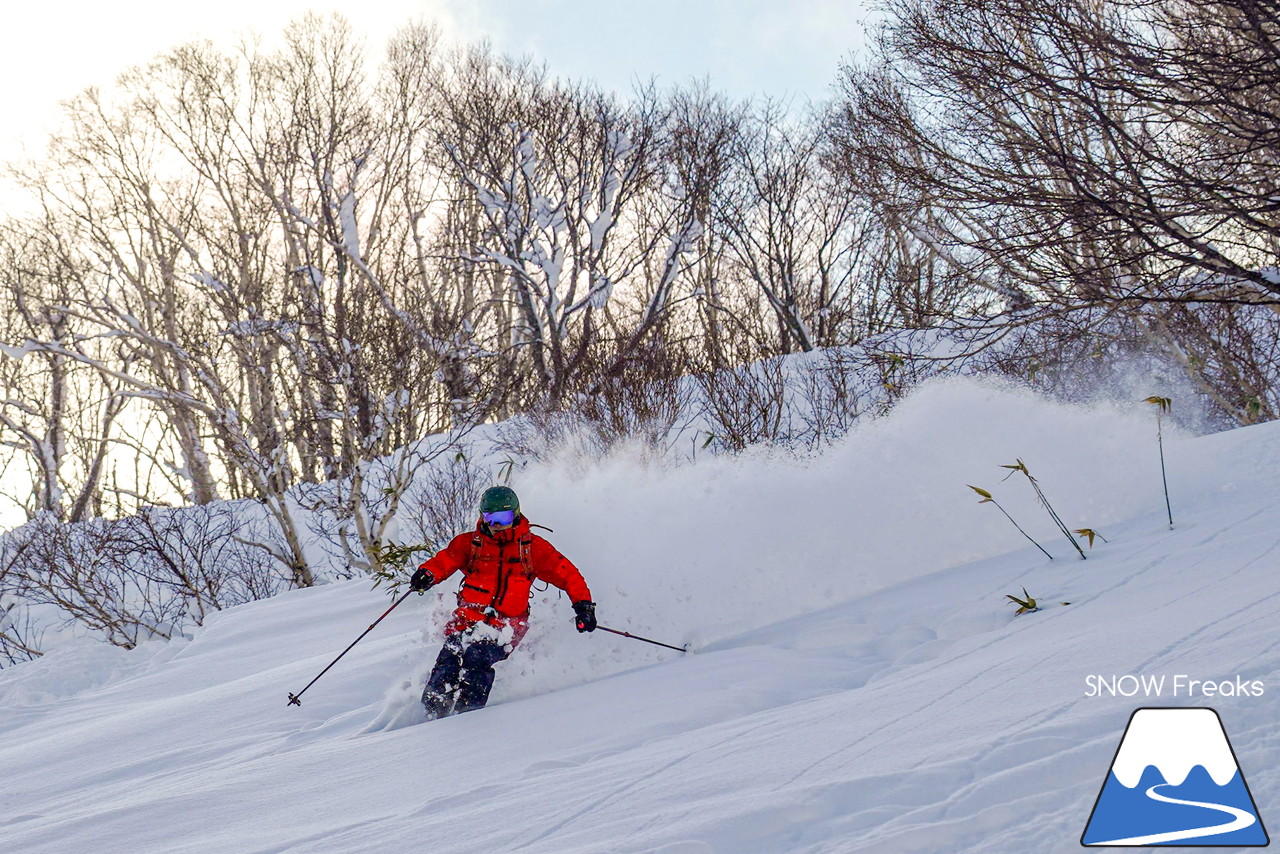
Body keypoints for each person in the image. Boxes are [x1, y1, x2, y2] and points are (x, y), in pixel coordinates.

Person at [409, 485, 596, 719]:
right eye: (490, 517)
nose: (496, 524)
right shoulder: (470, 544)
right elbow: (445, 561)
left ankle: (468, 715)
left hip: (507, 626)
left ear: (515, 515)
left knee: (476, 657)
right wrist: (428, 573)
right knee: (450, 656)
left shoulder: (532, 548)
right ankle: (431, 712)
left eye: (503, 517)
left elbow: (568, 575)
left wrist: (583, 606)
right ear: (482, 517)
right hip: (468, 621)